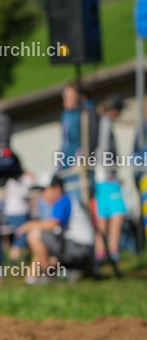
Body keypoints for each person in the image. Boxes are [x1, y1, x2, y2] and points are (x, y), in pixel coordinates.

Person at [17, 175, 95, 283]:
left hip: (80, 250)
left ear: (57, 188)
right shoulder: (65, 201)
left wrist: (30, 225)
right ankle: (43, 274)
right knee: (41, 239)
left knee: (35, 234)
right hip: (80, 249)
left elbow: (53, 224)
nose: (42, 194)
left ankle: (48, 275)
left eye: (44, 190)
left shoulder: (62, 201)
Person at [93, 95, 126, 277]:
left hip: (101, 175)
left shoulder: (101, 120)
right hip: (105, 176)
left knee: (102, 214)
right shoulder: (105, 122)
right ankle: (111, 250)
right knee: (117, 212)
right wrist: (109, 170)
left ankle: (101, 252)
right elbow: (104, 148)